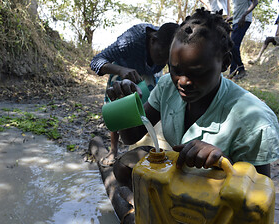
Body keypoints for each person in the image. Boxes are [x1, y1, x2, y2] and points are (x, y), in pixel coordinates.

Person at [107, 8, 279, 178]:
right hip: (183, 183)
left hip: (220, 197)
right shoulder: (168, 86)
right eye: (175, 69)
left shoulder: (254, 120)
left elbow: (258, 194)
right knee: (123, 168)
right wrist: (124, 104)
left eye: (197, 72)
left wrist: (223, 162)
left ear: (225, 63)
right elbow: (132, 136)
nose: (183, 82)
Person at [90, 22, 179, 166]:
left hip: (150, 75)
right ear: (153, 40)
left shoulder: (172, 44)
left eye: (167, 59)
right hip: (123, 73)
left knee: (150, 108)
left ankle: (145, 142)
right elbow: (96, 61)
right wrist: (120, 70)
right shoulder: (131, 40)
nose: (163, 61)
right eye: (161, 54)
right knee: (118, 107)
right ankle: (114, 149)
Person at [227, 0, 258, 80]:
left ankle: (241, 69)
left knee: (233, 45)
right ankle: (232, 72)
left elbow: (255, 2)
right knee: (232, 46)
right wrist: (232, 18)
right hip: (236, 21)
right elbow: (240, 9)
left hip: (243, 21)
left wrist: (244, 15)